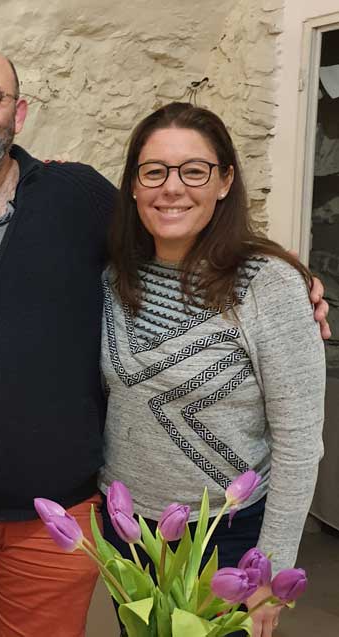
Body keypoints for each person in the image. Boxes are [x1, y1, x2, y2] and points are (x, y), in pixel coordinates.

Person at [0, 43, 331, 637]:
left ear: (19, 113)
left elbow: (185, 232)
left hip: (62, 512)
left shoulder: (76, 198)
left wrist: (296, 281)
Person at [99, 102, 325, 637]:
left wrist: (269, 567)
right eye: (153, 171)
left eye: (193, 171)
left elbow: (298, 443)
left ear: (224, 181)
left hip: (227, 536)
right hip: (126, 531)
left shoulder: (268, 285)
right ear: (133, 185)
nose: (171, 187)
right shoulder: (113, 277)